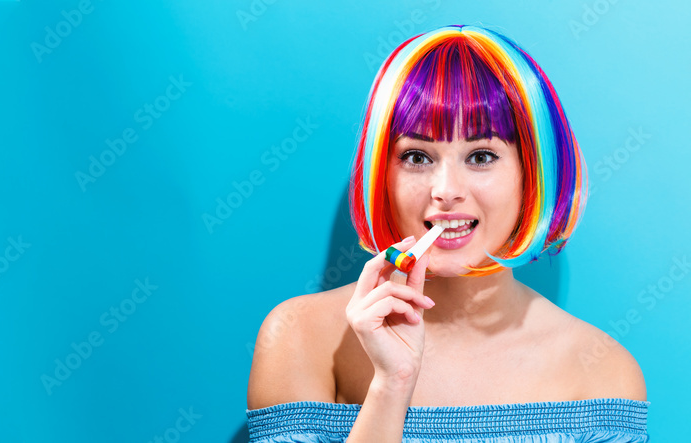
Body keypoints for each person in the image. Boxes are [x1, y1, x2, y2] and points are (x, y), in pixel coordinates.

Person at [245, 25, 649, 442]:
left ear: (532, 173)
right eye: (417, 156)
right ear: (381, 173)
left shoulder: (603, 375)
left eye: (481, 156)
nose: (446, 191)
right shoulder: (300, 338)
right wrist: (391, 386)